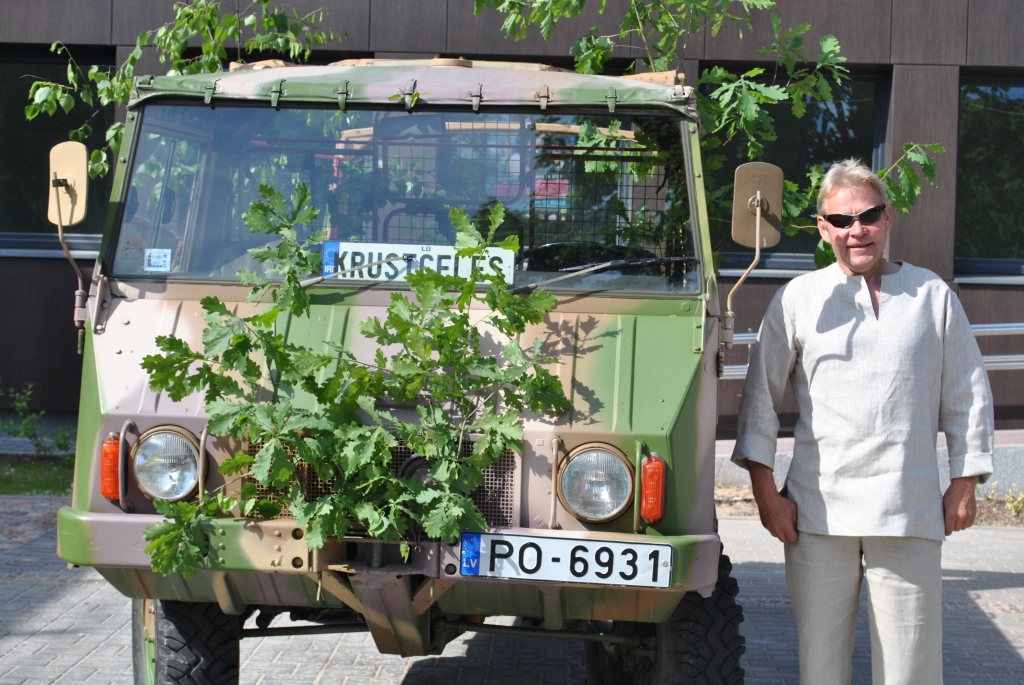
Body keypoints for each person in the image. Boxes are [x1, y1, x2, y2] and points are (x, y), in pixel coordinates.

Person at [731, 158, 994, 685]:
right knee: (821, 670)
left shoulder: (932, 296)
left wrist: (964, 483)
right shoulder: (798, 300)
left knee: (912, 671)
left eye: (869, 215)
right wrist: (766, 494)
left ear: (888, 218)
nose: (858, 230)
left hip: (910, 510)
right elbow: (759, 400)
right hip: (818, 514)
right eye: (844, 220)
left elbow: (967, 393)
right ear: (824, 228)